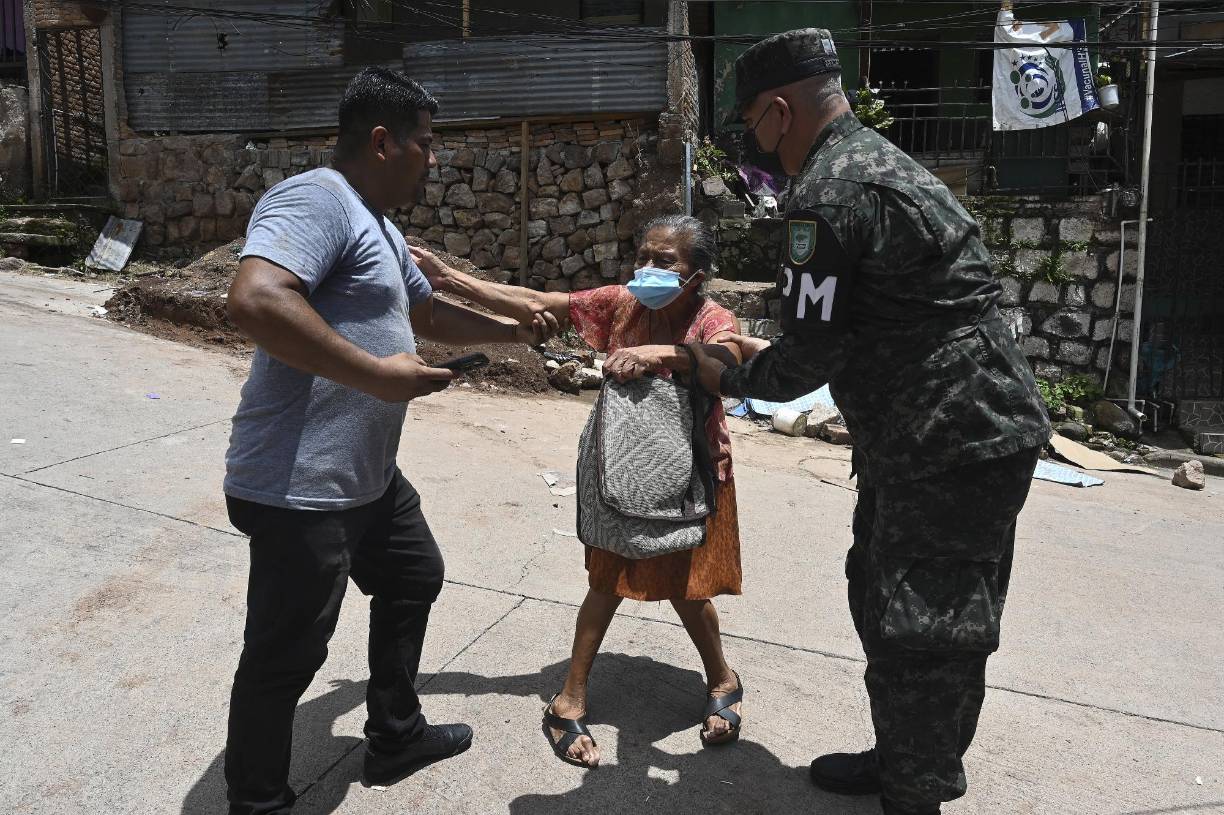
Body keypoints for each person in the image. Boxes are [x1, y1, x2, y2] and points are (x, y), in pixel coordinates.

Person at [688, 29, 1052, 815]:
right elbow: (856, 322)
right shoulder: (878, 163)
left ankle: (914, 792)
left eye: (752, 124)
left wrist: (727, 369)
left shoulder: (829, 193)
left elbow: (806, 356)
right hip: (954, 429)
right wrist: (771, 352)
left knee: (918, 622)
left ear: (780, 112)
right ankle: (911, 759)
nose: (756, 144)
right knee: (926, 602)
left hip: (945, 439)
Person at [221, 67, 551, 814]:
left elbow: (427, 314)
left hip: (364, 477)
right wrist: (377, 374)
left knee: (412, 573)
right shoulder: (316, 198)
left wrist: (514, 328)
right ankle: (258, 802)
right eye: (426, 145)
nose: (434, 160)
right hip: (300, 483)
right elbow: (254, 297)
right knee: (285, 655)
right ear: (382, 141)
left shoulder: (380, 225)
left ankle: (394, 735)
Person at [411, 215, 746, 769]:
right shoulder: (623, 303)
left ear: (697, 275)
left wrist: (659, 356)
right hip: (619, 471)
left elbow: (729, 359)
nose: (649, 269)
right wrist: (448, 277)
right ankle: (569, 697)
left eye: (667, 262)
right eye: (643, 256)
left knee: (688, 585)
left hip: (693, 475)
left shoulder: (713, 318)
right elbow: (537, 301)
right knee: (608, 578)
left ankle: (722, 677)